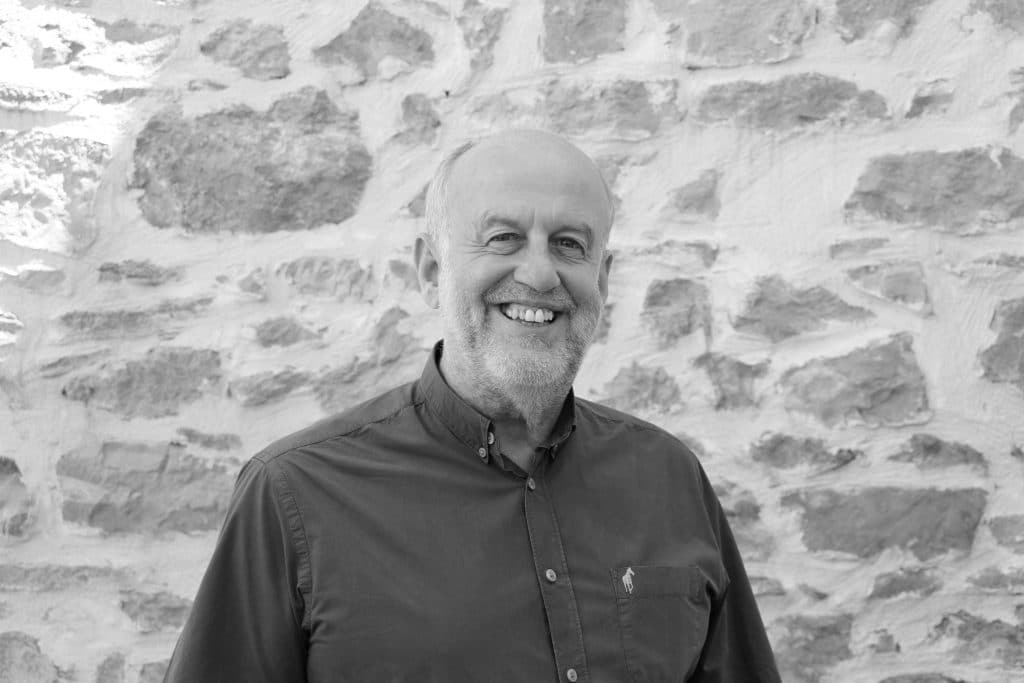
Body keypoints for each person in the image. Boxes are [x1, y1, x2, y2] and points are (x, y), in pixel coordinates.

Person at [165, 130, 781, 682]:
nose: (539, 275)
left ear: (602, 277)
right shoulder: (293, 494)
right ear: (430, 269)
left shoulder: (668, 477)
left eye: (569, 245)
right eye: (503, 238)